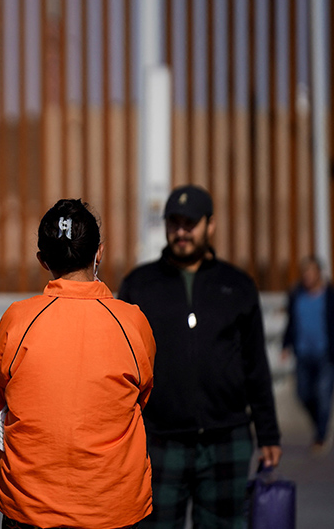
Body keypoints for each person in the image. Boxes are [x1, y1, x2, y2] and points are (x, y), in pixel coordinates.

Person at [0, 199, 156, 529]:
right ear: (99, 253)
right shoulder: (131, 322)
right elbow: (142, 395)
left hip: (29, 506)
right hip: (113, 507)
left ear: (42, 260)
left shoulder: (18, 320)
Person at [118, 184, 282, 529]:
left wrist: (268, 433)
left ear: (211, 225)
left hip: (228, 436)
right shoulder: (139, 285)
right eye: (174, 222)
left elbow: (255, 364)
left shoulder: (237, 285)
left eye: (190, 223)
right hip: (160, 439)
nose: (181, 232)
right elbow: (122, 364)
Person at [282, 255, 334, 453]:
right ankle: (318, 425)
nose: (307, 276)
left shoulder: (329, 295)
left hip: (325, 354)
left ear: (319, 273)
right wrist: (285, 345)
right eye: (304, 273)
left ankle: (321, 436)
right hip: (302, 352)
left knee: (323, 395)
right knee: (302, 394)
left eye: (311, 272)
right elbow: (291, 322)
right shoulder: (296, 295)